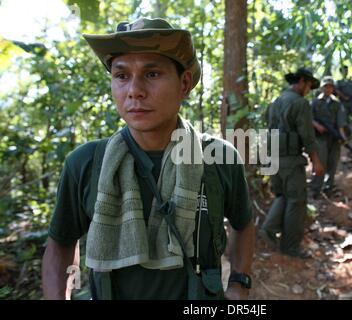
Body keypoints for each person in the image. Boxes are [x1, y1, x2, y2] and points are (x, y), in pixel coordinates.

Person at [41, 17, 255, 300]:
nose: (134, 90)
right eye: (121, 76)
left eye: (152, 74)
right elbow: (60, 242)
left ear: (184, 83)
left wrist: (239, 283)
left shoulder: (219, 158)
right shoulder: (86, 163)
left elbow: (244, 222)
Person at [259, 68, 324, 259]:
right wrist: (316, 161)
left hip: (272, 158)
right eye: (309, 86)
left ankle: (269, 228)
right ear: (302, 81)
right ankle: (290, 247)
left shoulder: (274, 102)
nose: (309, 90)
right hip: (290, 160)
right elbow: (307, 135)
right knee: (296, 201)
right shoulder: (300, 103)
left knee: (283, 195)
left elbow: (267, 127)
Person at [310, 76, 347, 199]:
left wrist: (342, 137)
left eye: (331, 86)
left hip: (334, 137)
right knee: (321, 162)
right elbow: (308, 118)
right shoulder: (315, 102)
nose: (328, 89)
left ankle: (328, 188)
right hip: (320, 137)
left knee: (333, 163)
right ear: (322, 88)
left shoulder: (336, 103)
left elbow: (341, 122)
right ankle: (316, 189)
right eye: (326, 86)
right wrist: (317, 125)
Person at [335, 65, 352, 137]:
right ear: (341, 72)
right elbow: (336, 91)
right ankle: (348, 134)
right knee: (345, 119)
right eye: (344, 70)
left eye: (347, 70)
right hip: (344, 103)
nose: (346, 72)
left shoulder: (350, 81)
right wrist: (344, 97)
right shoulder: (338, 82)